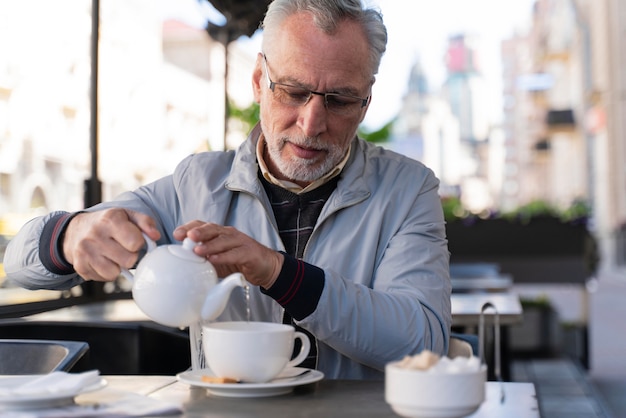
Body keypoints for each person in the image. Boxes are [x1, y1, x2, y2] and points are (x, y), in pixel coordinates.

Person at [5, 0, 451, 380]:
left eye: (339, 99)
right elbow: (19, 265)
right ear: (259, 81)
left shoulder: (407, 189)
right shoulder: (195, 183)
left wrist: (277, 272)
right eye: (293, 92)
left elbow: (422, 342)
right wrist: (68, 236)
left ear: (366, 102)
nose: (311, 123)